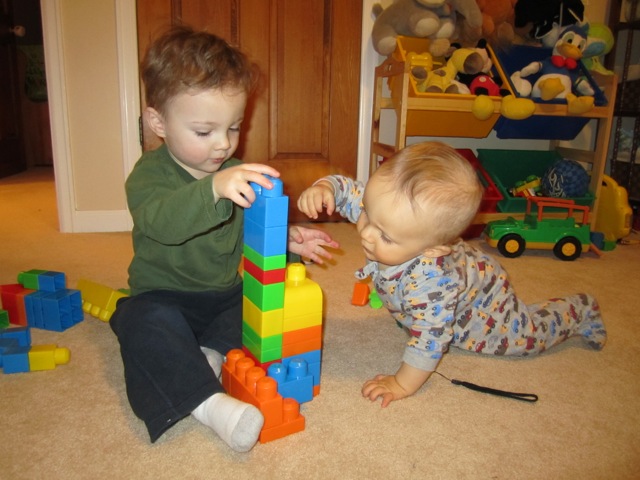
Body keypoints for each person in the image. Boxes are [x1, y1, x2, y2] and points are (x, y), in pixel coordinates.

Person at [110, 26, 338, 452]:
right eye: (204, 132)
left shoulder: (234, 171)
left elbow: (248, 227)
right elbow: (163, 223)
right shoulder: (148, 176)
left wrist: (286, 239)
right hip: (163, 296)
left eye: (233, 127)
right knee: (138, 321)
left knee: (264, 306)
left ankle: (209, 357)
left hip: (222, 296)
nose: (223, 145)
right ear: (158, 123)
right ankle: (211, 405)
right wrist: (213, 188)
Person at [297, 141, 606, 408]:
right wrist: (326, 188)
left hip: (485, 301)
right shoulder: (384, 213)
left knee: (526, 337)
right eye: (367, 213)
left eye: (386, 237)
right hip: (451, 276)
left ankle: (580, 311)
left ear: (431, 249)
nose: (365, 233)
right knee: (420, 307)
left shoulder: (432, 285)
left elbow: (430, 340)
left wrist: (402, 384)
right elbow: (352, 192)